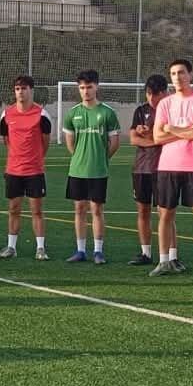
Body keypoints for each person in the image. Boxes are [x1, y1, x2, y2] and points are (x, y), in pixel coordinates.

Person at [151, 59, 193, 280]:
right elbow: (157, 137)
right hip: (167, 167)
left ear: (190, 74)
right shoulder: (165, 104)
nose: (177, 77)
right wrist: (186, 130)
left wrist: (172, 128)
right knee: (165, 216)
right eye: (173, 73)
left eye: (181, 72)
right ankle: (163, 261)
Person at [62, 69, 120, 264]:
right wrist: (80, 157)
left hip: (98, 170)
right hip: (77, 170)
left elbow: (114, 143)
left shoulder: (107, 113)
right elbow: (70, 143)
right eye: (82, 87)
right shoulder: (73, 113)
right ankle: (80, 250)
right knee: (79, 209)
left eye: (89, 87)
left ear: (97, 87)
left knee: (97, 210)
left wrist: (101, 159)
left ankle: (98, 251)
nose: (85, 91)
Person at [0, 75, 50, 260]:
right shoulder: (7, 114)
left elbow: (45, 141)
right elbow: (6, 140)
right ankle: (11, 247)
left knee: (37, 210)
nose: (20, 92)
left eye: (24, 88)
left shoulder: (41, 114)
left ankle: (40, 248)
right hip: (14, 170)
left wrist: (35, 159)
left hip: (34, 170)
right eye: (17, 89)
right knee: (13, 209)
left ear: (31, 90)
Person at [128, 74, 173, 267]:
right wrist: (155, 140)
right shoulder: (141, 111)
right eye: (148, 94)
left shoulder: (172, 110)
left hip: (164, 167)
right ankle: (145, 253)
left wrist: (154, 138)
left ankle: (172, 256)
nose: (151, 99)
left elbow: (171, 137)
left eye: (155, 95)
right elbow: (133, 139)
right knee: (143, 210)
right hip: (141, 168)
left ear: (164, 93)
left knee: (166, 213)